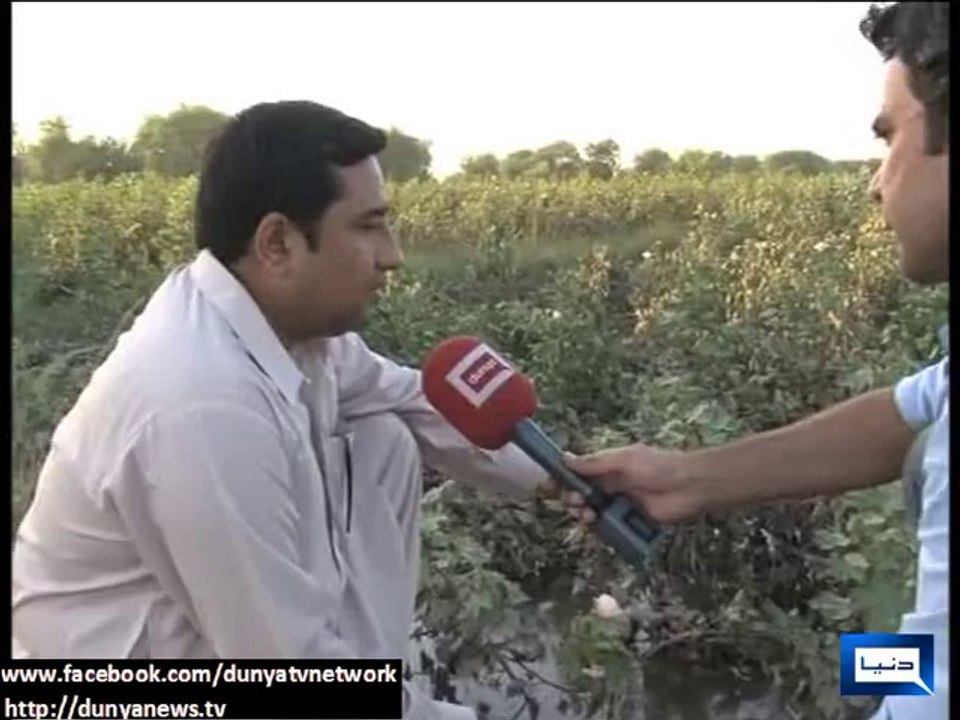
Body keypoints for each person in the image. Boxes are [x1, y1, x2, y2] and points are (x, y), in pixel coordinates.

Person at [11, 100, 549, 720]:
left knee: (385, 438)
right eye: (368, 226)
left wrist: (564, 480)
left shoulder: (296, 333)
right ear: (277, 244)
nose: (392, 254)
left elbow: (413, 400)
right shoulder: (202, 404)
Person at [552, 3, 949, 719]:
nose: (875, 181)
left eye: (889, 137)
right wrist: (688, 478)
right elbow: (913, 407)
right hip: (901, 636)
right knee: (842, 664)